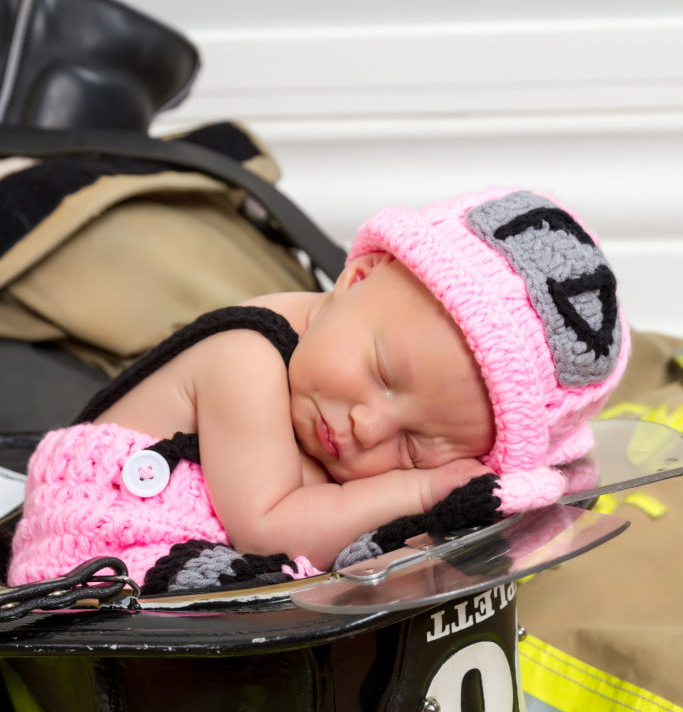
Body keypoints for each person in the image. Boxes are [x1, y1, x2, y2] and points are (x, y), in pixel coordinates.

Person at [7, 186, 630, 592]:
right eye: (384, 376)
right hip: (93, 568)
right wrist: (420, 483)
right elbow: (268, 530)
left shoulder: (335, 375)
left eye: (414, 446)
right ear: (358, 276)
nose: (370, 425)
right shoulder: (245, 358)